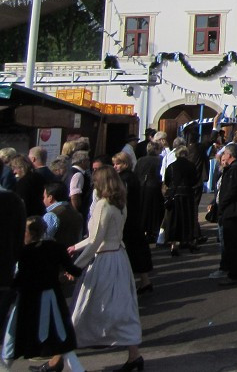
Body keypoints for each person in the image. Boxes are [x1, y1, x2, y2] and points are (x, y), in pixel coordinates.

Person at [70, 166, 143, 371]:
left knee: (83, 307)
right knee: (122, 307)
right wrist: (76, 246)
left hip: (105, 260)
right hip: (119, 257)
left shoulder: (103, 204)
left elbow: (95, 240)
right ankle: (134, 355)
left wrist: (76, 266)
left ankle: (60, 356)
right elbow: (103, 236)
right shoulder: (120, 204)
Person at [2, 216, 85, 372]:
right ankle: (77, 368)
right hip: (52, 297)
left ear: (31, 233)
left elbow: (19, 279)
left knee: (14, 333)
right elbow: (72, 269)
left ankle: (4, 367)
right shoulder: (55, 247)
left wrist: (10, 287)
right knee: (61, 334)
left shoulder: (24, 253)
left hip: (29, 301)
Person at [110, 154, 153, 295]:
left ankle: (130, 283)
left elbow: (123, 198)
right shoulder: (132, 177)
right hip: (134, 218)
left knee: (128, 250)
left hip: (127, 219)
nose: (115, 166)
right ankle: (144, 280)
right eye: (114, 164)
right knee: (137, 249)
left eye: (118, 164)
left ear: (125, 164)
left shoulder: (125, 178)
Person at [213, 143, 237, 286]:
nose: (223, 156)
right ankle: (233, 271)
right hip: (230, 209)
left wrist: (222, 205)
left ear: (230, 155)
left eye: (225, 153)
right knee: (230, 242)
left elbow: (231, 190)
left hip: (232, 210)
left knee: (232, 243)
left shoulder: (235, 169)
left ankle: (235, 274)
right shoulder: (232, 168)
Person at [163, 145, 200, 257]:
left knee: (174, 220)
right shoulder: (191, 166)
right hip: (187, 195)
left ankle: (174, 245)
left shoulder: (171, 166)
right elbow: (194, 180)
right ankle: (189, 241)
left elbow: (167, 181)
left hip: (174, 196)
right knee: (188, 218)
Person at [134, 142, 164, 246]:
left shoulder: (140, 160)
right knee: (154, 211)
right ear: (156, 150)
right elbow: (161, 174)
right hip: (154, 187)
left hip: (142, 187)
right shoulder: (159, 160)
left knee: (143, 210)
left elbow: (136, 174)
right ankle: (153, 232)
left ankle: (143, 231)